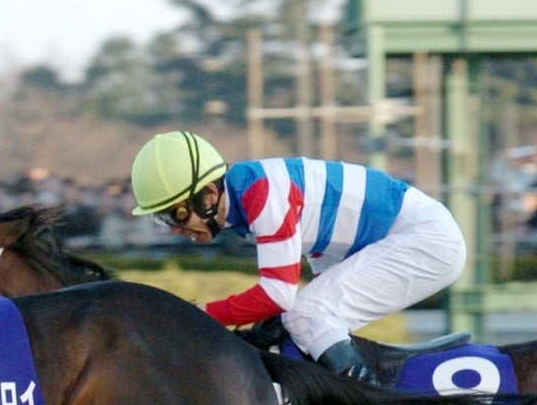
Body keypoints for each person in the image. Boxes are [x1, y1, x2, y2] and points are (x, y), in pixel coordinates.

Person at [129, 131, 467, 383]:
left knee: (306, 313)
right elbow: (320, 259)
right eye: (162, 219)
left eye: (175, 214)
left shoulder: (260, 194)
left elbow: (277, 294)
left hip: (425, 239)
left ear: (209, 195)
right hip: (404, 236)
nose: (174, 230)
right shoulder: (243, 205)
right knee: (299, 323)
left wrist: (198, 316)